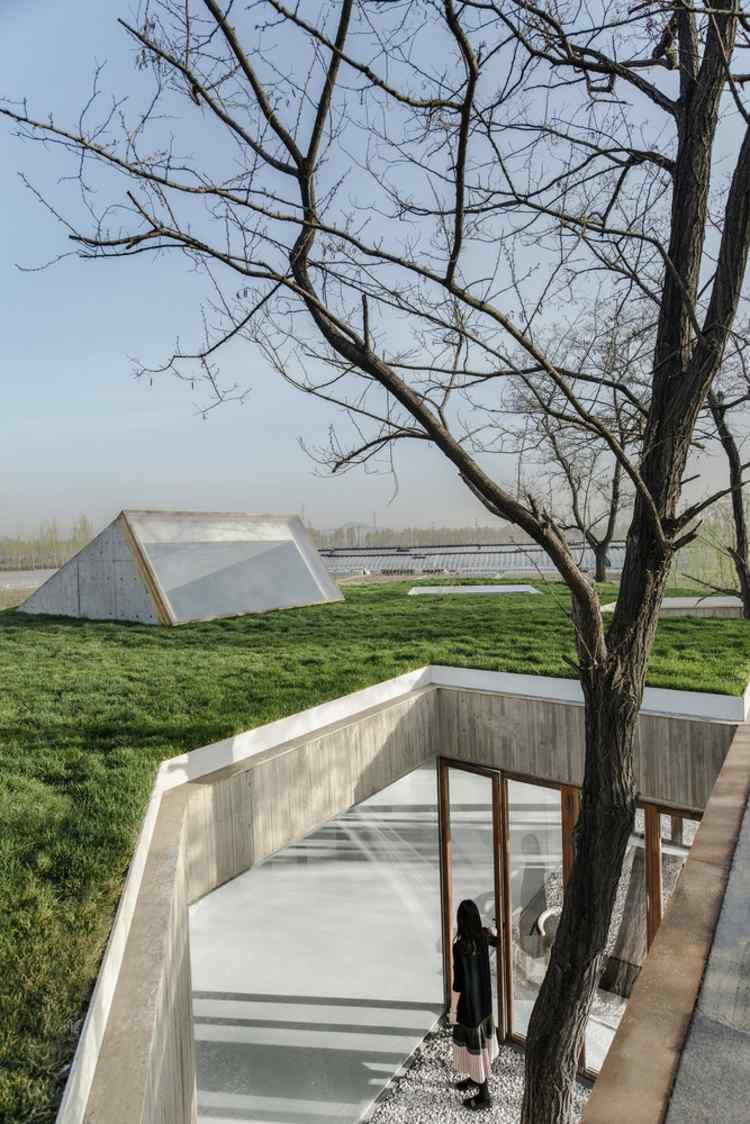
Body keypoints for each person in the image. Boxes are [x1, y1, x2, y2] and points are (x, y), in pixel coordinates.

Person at [449, 899, 499, 1111]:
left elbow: (458, 983)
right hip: (484, 1005)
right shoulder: (483, 936)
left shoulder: (459, 947)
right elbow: (497, 939)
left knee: (476, 1050)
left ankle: (484, 1095)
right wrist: (493, 929)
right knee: (479, 1048)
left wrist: (453, 1009)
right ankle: (474, 1079)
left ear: (461, 921)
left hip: (469, 1009)